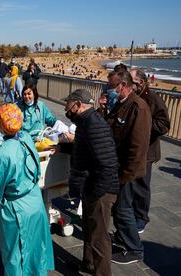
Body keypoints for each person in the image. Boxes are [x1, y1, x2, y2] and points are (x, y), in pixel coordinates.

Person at [0, 103, 54, 275]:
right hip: (35, 201)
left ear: (0, 125)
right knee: (37, 248)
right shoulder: (26, 138)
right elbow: (36, 170)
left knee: (16, 254)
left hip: (17, 211)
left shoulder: (3, 154)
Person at [62, 89, 119, 276]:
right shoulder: (85, 122)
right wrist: (63, 147)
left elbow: (108, 164)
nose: (65, 108)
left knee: (99, 238)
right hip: (91, 187)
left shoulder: (93, 124)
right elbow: (85, 149)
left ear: (78, 105)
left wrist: (96, 192)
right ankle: (88, 265)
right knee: (89, 230)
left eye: (68, 104)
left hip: (100, 191)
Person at [106, 71, 151, 264]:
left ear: (123, 85)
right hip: (117, 167)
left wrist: (126, 175)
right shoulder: (121, 104)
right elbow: (110, 127)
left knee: (124, 209)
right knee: (118, 209)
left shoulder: (138, 107)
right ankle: (123, 237)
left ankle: (135, 249)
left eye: (113, 86)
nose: (110, 90)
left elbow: (137, 147)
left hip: (128, 171)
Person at [130, 69, 170, 233]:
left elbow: (164, 125)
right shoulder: (134, 97)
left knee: (141, 185)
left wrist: (143, 124)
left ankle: (141, 217)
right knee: (131, 183)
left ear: (140, 83)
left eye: (130, 82)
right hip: (133, 149)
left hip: (147, 151)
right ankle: (131, 212)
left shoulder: (153, 99)